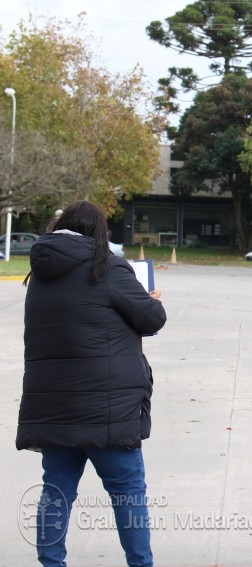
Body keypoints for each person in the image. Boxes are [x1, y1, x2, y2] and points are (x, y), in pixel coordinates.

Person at [16, 200, 167, 567]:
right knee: (128, 492)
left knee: (55, 491)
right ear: (98, 231)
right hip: (108, 409)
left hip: (54, 407)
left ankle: (51, 563)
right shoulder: (108, 267)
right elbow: (152, 319)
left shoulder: (39, 275)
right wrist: (149, 299)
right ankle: (140, 563)